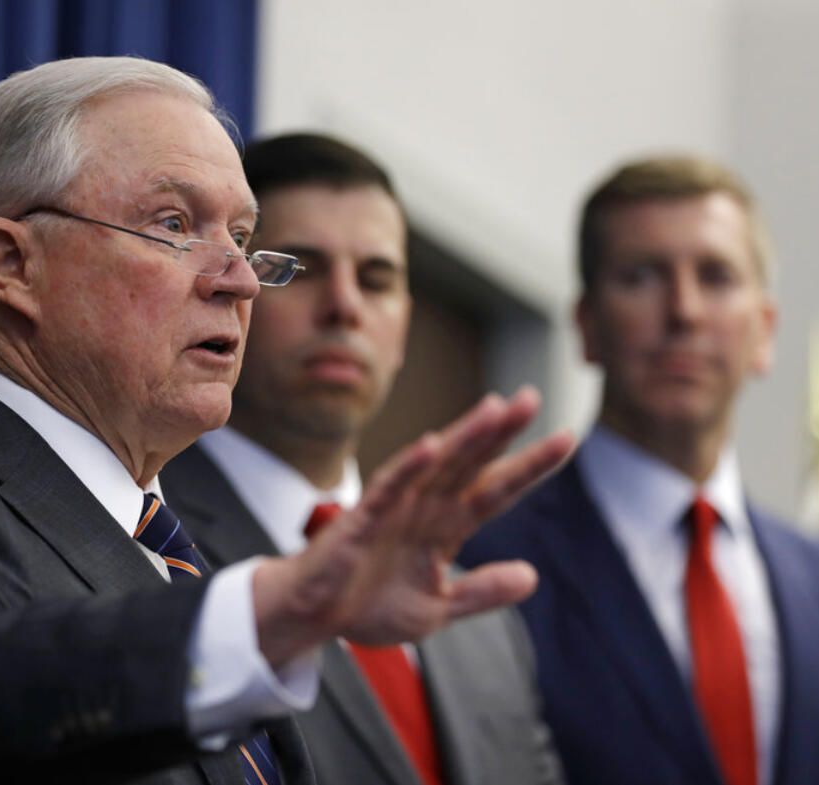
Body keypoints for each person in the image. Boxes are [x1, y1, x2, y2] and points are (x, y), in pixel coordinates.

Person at [0, 57, 575, 785]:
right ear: (12, 265)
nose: (240, 279)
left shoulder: (173, 551)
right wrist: (274, 616)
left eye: (240, 237)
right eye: (172, 223)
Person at [460, 154, 819, 785]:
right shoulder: (485, 568)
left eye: (716, 276)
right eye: (643, 275)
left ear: (764, 331)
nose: (685, 311)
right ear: (588, 325)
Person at [161, 132, 564, 785]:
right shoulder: (148, 540)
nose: (344, 305)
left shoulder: (481, 624)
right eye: (302, 267)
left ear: (404, 321)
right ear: (232, 288)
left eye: (376, 279)